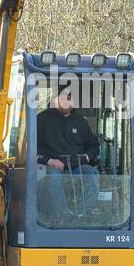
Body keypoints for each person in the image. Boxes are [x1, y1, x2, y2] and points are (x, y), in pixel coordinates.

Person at [36, 87, 101, 221]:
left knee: (92, 174)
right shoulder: (41, 119)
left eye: (70, 98)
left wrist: (87, 157)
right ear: (56, 100)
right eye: (63, 98)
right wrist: (50, 161)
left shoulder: (81, 122)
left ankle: (81, 215)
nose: (66, 102)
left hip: (76, 166)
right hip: (50, 166)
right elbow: (31, 147)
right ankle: (62, 217)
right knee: (53, 177)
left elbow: (94, 145)